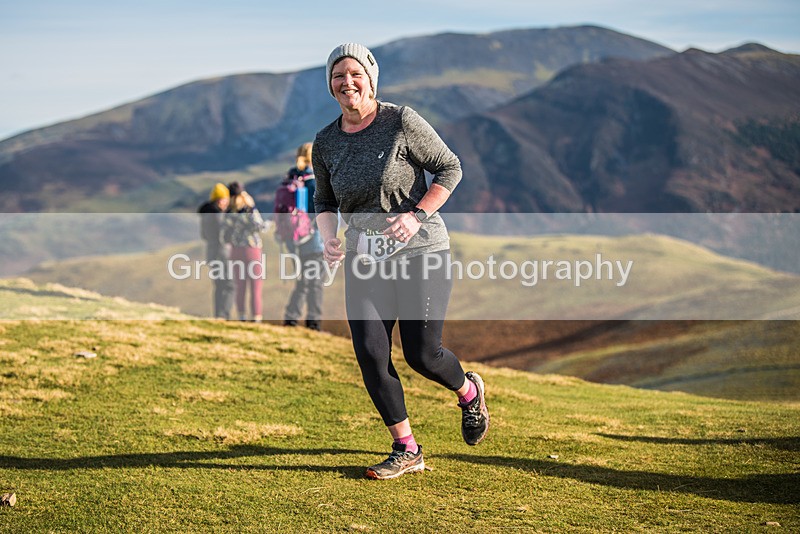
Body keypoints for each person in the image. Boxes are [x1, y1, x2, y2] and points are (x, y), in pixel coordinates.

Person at [313, 43, 489, 480]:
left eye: (355, 74)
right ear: (330, 84)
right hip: (364, 257)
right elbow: (324, 199)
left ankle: (468, 392)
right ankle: (406, 448)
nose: (347, 82)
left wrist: (416, 217)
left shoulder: (401, 121)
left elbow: (450, 169)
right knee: (371, 353)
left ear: (371, 79)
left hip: (421, 250)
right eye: (338, 76)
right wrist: (329, 240)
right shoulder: (326, 141)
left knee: (422, 354)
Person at [282, 143, 325, 331]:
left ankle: (291, 317)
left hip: (292, 239)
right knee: (315, 282)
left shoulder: (290, 179)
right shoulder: (313, 182)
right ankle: (312, 323)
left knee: (303, 278)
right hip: (312, 238)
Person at [224, 181, 267, 322]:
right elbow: (260, 226)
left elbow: (225, 232)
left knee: (240, 285)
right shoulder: (249, 210)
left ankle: (241, 316)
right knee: (255, 286)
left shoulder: (229, 212)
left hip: (235, 250)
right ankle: (256, 317)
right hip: (251, 249)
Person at [198, 183, 234, 319]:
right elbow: (223, 235)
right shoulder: (218, 216)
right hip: (222, 253)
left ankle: (218, 314)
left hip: (211, 252)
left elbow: (204, 235)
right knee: (229, 284)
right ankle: (224, 315)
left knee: (219, 285)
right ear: (221, 199)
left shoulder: (205, 215)